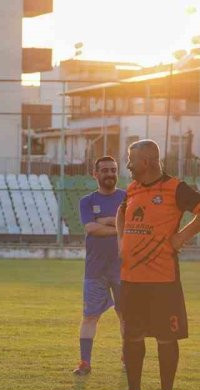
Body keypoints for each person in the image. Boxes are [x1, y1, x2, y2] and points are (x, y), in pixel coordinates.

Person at [114, 139, 200, 390]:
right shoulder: (132, 188)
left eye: (131, 160)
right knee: (131, 336)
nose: (128, 165)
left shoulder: (175, 188)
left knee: (166, 337)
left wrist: (182, 236)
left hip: (163, 280)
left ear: (146, 161)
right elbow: (121, 213)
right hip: (131, 279)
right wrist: (121, 241)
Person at [73, 156, 126, 376]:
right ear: (95, 174)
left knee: (126, 316)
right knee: (90, 316)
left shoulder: (127, 198)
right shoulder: (87, 201)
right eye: (105, 170)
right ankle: (85, 362)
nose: (110, 174)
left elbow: (130, 226)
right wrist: (118, 226)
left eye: (113, 170)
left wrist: (103, 221)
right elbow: (91, 229)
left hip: (124, 268)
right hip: (95, 270)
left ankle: (128, 358)